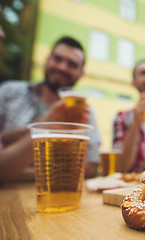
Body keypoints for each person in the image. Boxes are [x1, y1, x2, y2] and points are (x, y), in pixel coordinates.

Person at [0, 36, 101, 178]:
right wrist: (46, 123)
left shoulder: (84, 112)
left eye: (72, 64)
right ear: (47, 60)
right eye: (57, 59)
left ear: (81, 74)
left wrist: (17, 172)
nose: (61, 67)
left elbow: (91, 166)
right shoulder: (9, 91)